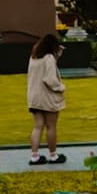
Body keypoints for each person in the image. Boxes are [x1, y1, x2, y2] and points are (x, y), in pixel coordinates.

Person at [27, 33, 67, 166]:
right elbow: (50, 79)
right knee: (51, 126)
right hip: (48, 98)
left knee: (38, 126)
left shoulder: (34, 57)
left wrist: (57, 56)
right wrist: (61, 87)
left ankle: (34, 156)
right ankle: (53, 155)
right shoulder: (49, 58)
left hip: (34, 97)